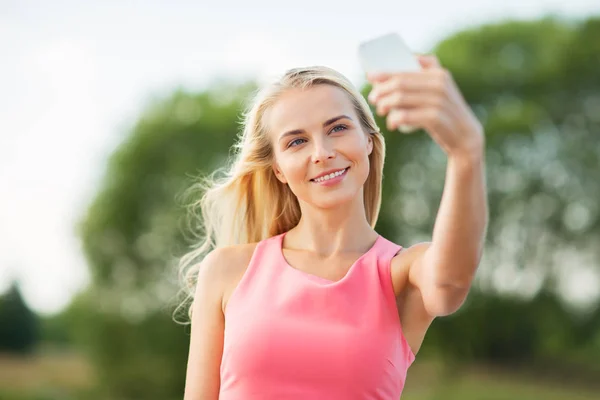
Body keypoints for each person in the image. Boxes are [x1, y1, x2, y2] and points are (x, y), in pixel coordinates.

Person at [180, 54, 488, 399]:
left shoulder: (402, 275)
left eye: (338, 128)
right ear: (279, 169)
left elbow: (450, 283)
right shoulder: (226, 270)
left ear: (368, 141)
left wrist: (465, 153)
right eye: (297, 141)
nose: (322, 152)